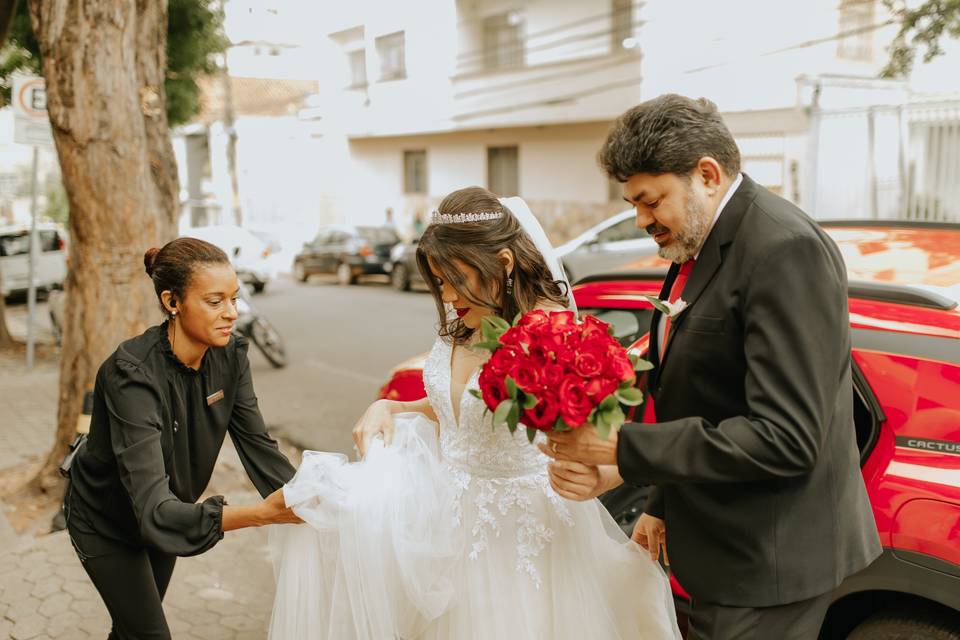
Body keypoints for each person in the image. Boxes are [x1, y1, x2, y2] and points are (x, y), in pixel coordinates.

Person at [267, 187, 681, 640]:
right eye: (438, 280)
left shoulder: (551, 331)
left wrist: (598, 475)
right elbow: (456, 411)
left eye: (453, 278)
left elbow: (613, 435)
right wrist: (391, 406)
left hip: (525, 537)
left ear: (502, 263)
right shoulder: (464, 322)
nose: (445, 295)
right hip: (445, 526)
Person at [542, 94, 882, 639]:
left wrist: (620, 449)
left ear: (707, 174)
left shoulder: (784, 249)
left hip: (769, 562)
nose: (640, 220)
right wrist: (661, 499)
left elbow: (786, 437)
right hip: (717, 544)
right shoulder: (695, 244)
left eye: (651, 201)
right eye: (633, 203)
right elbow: (703, 395)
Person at [63, 237, 302, 639]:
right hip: (106, 520)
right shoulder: (130, 375)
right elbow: (154, 509)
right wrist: (262, 513)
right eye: (215, 301)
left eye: (234, 298)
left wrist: (313, 497)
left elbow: (260, 448)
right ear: (172, 302)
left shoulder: (230, 355)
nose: (231, 313)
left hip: (170, 514)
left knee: (132, 631)